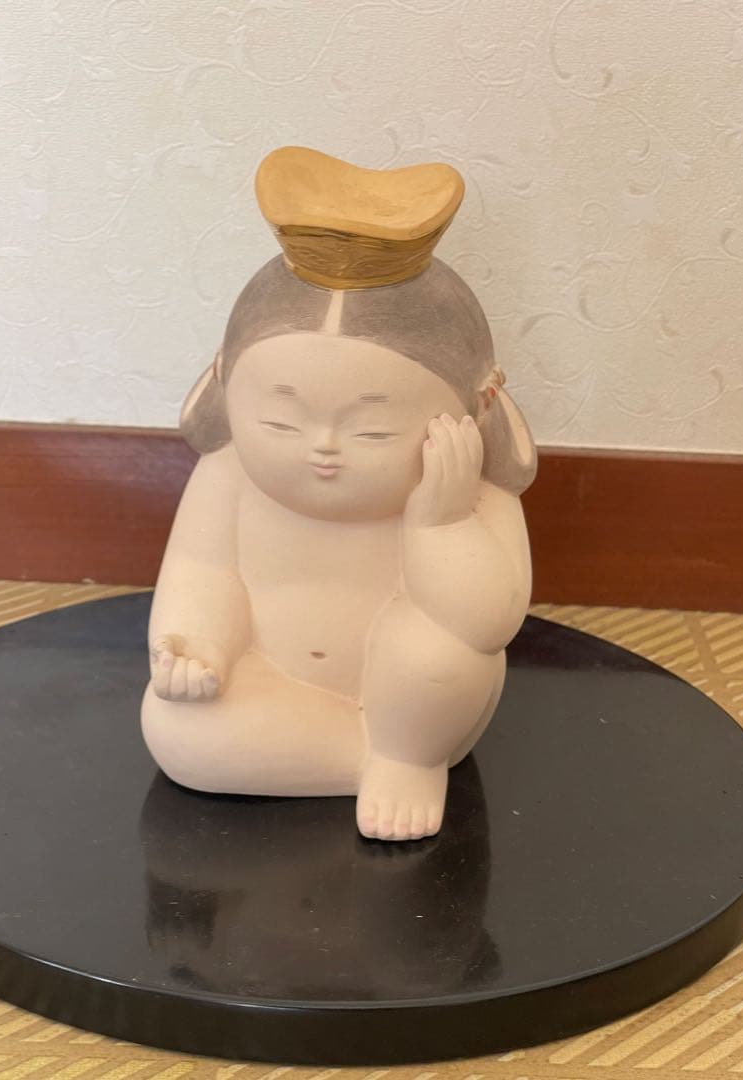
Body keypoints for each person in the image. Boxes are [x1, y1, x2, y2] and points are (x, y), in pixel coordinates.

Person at [141, 147, 536, 841]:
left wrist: (442, 525)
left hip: (415, 706)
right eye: (281, 422)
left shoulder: (463, 488)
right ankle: (366, 759)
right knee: (173, 725)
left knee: (436, 652)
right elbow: (201, 574)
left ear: (476, 407)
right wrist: (197, 651)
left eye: (373, 431)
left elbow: (487, 624)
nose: (322, 447)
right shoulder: (229, 475)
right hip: (269, 682)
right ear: (226, 381)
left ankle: (405, 755)